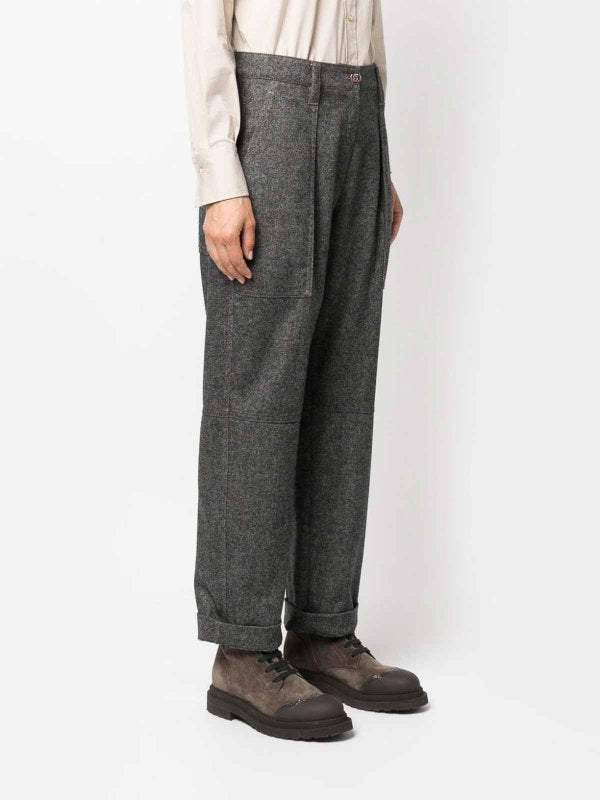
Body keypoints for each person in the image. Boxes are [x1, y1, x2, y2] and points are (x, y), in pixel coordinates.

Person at [181, 0, 428, 740]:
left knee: (343, 387)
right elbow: (204, 23)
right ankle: (242, 649)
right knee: (257, 390)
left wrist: (376, 160)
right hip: (271, 110)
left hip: (359, 113)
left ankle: (323, 629)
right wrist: (220, 176)